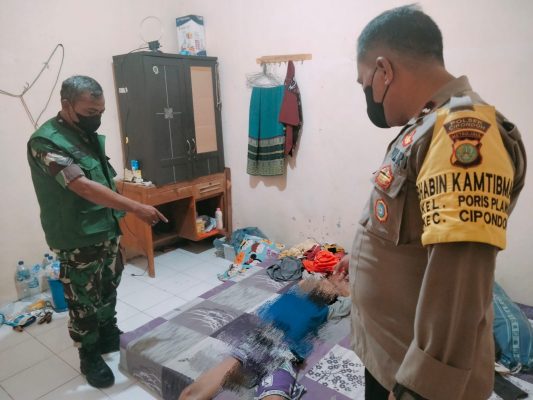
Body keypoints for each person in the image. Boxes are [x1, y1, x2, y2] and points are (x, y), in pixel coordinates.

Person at [334, 5, 527, 400]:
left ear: (384, 71)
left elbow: (460, 281)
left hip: (414, 376)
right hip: (390, 354)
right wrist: (366, 256)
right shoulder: (427, 125)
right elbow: (412, 224)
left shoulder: (463, 132)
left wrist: (419, 389)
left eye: (364, 83)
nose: (367, 95)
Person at [27, 75, 168, 388]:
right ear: (67, 105)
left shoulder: (84, 134)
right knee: (83, 299)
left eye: (101, 112)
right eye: (91, 112)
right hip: (76, 235)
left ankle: (107, 334)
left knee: (107, 285)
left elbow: (102, 178)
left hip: (104, 226)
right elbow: (83, 187)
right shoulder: (46, 141)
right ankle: (88, 354)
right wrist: (136, 207)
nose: (97, 118)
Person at [178, 273, 350, 400]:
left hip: (284, 356)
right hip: (255, 343)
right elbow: (307, 278)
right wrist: (327, 278)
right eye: (325, 280)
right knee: (192, 394)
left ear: (333, 297)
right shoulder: (295, 292)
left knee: (275, 396)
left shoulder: (326, 311)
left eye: (332, 287)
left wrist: (344, 288)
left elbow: (350, 302)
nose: (327, 283)